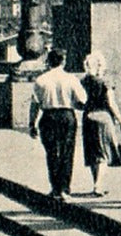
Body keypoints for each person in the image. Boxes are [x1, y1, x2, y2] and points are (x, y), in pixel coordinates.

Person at [28, 49, 85, 198]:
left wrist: (32, 123)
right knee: (67, 152)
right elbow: (82, 101)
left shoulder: (41, 80)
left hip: (48, 116)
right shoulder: (71, 79)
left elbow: (35, 104)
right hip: (67, 116)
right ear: (63, 61)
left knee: (52, 153)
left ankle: (55, 188)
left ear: (49, 61)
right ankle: (65, 189)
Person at [79, 51, 121, 196]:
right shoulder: (105, 82)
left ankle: (96, 183)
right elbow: (111, 104)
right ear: (100, 65)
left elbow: (79, 101)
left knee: (93, 152)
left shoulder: (84, 81)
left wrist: (87, 107)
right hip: (103, 117)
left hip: (88, 117)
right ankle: (98, 185)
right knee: (103, 152)